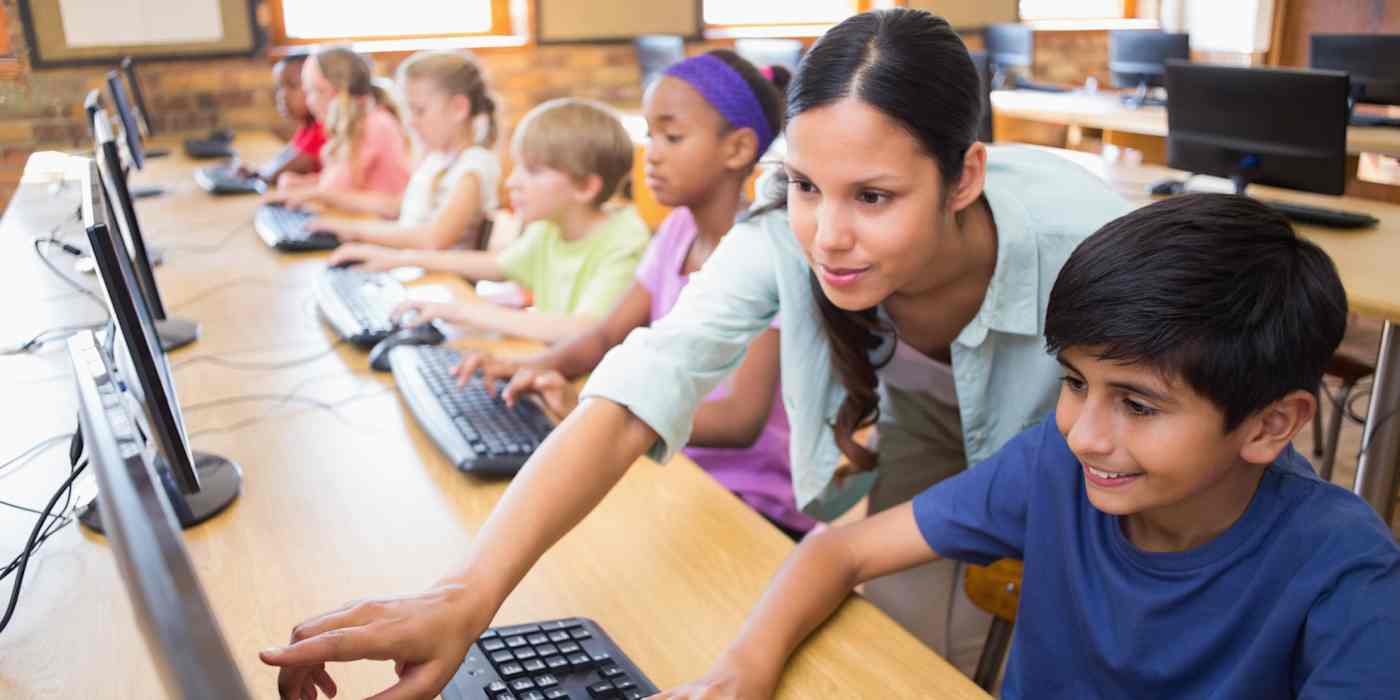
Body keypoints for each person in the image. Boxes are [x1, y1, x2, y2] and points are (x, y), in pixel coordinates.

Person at [260, 10, 1132, 698]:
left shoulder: (1084, 246)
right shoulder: (794, 235)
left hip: (1095, 462)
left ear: (966, 177)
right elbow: (641, 386)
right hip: (927, 430)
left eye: (873, 196)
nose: (828, 237)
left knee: (1073, 630)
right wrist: (466, 595)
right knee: (906, 654)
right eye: (806, 187)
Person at [657, 193, 1400, 699]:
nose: (1085, 432)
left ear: (1271, 425)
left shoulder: (1343, 567)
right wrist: (743, 670)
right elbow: (838, 552)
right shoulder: (1053, 464)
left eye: (1138, 404)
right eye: (1076, 383)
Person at [456, 50, 816, 538]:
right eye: (649, 135)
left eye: (672, 136)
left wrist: (590, 403)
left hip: (751, 499)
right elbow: (606, 332)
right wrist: (536, 369)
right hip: (668, 461)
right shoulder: (677, 231)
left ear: (737, 149)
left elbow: (739, 421)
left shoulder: (765, 255)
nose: (653, 154)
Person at [328, 98, 648, 344]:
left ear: (585, 187)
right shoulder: (551, 227)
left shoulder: (624, 240)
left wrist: (466, 311)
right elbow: (497, 264)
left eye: (532, 171)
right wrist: (398, 258)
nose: (512, 183)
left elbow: (583, 330)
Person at [305, 50, 502, 250]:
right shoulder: (436, 159)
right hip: (413, 268)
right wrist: (324, 201)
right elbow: (396, 207)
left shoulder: (473, 167)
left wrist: (355, 231)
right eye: (409, 111)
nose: (410, 122)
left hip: (438, 278)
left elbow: (433, 239)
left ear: (459, 108)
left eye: (419, 110)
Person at [266, 45, 411, 205]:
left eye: (311, 92)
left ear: (330, 91)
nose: (309, 101)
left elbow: (338, 191)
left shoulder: (374, 125)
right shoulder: (354, 123)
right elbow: (342, 182)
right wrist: (303, 184)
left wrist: (308, 193)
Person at [236, 53, 324, 186]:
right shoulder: (307, 127)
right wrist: (257, 172)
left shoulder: (323, 129)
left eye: (292, 86)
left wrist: (258, 175)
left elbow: (281, 172)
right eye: (279, 87)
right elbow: (284, 157)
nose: (282, 95)